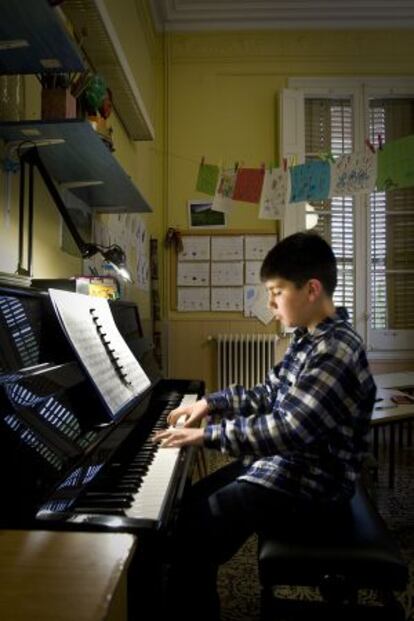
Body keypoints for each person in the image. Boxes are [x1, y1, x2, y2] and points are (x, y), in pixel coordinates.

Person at [153, 231, 376, 621]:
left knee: (192, 535)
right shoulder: (307, 339)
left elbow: (286, 429)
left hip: (313, 488)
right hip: (288, 467)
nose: (270, 304)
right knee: (181, 510)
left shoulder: (336, 350)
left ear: (311, 289)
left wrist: (207, 435)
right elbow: (267, 395)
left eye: (276, 291)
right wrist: (211, 403)